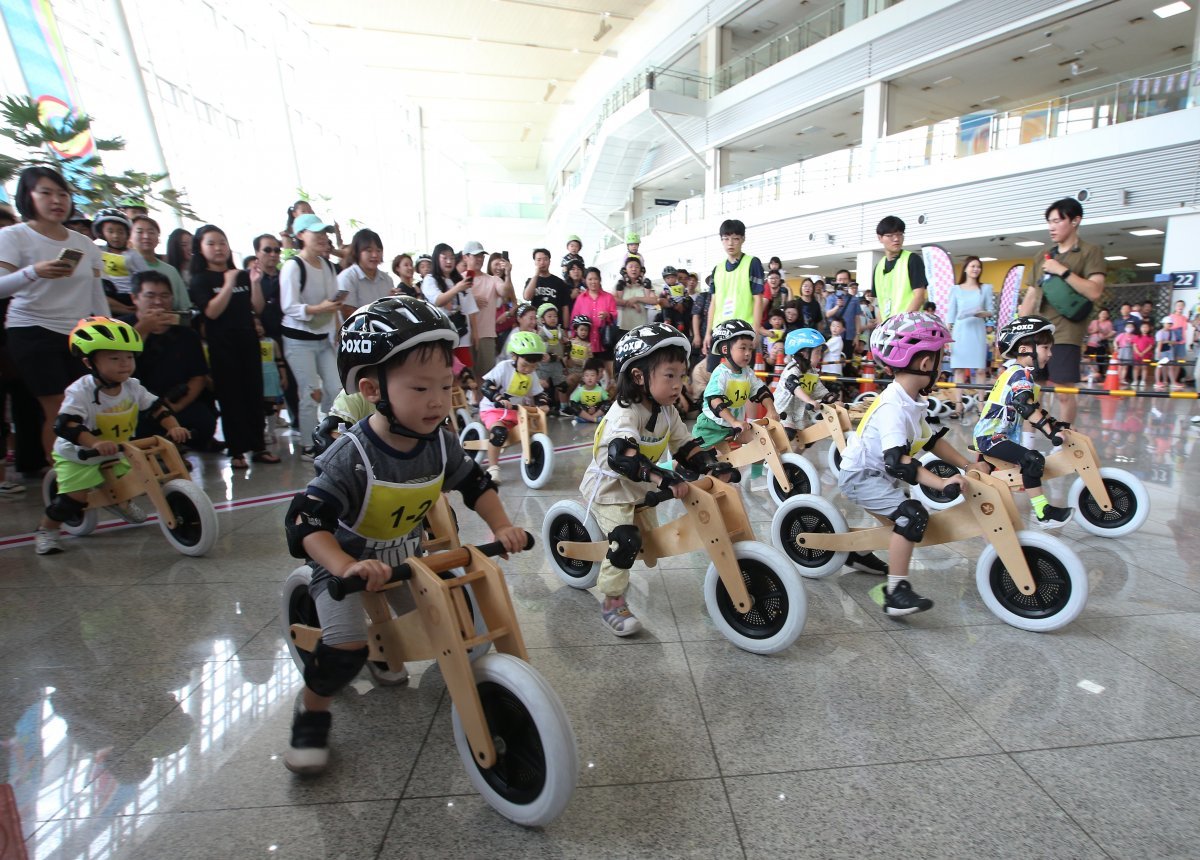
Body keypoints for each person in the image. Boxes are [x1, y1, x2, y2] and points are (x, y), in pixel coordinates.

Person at [282, 296, 524, 774]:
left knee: (458, 623)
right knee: (346, 646)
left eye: (445, 386)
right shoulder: (352, 456)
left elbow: (476, 484)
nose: (437, 400)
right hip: (342, 569)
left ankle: (396, 653)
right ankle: (311, 711)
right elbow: (306, 523)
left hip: (407, 560)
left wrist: (502, 525)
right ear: (372, 389)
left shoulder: (440, 444)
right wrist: (345, 566)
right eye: (419, 388)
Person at [579, 323, 730, 635]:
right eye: (669, 375)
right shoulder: (625, 412)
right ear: (639, 376)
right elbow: (623, 456)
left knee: (649, 543)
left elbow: (685, 447)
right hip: (611, 488)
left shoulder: (667, 411)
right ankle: (612, 601)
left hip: (640, 485)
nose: (678, 385)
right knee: (627, 539)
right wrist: (663, 477)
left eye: (681, 376)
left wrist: (711, 465)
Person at [837, 313, 976, 614]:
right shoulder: (893, 407)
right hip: (861, 476)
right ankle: (895, 592)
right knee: (912, 516)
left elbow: (931, 440)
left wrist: (968, 465)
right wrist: (941, 483)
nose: (941, 366)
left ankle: (857, 551)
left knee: (898, 524)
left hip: (875, 474)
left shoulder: (911, 399)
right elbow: (898, 463)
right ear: (926, 364)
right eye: (940, 358)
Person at [35, 316, 190, 555]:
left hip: (116, 451)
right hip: (79, 455)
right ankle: (47, 530)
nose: (124, 364)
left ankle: (120, 502)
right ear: (89, 362)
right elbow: (66, 424)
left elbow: (157, 407)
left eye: (129, 357)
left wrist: (174, 427)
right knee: (74, 499)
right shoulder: (80, 392)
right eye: (114, 358)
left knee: (134, 481)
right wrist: (94, 443)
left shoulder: (132, 386)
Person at [0, 166, 107, 459]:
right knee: (61, 408)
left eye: (62, 193)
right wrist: (34, 272)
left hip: (79, 335)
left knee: (86, 406)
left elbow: (96, 294)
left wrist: (105, 331)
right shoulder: (13, 236)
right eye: (46, 193)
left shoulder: (84, 243)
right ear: (28, 196)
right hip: (32, 330)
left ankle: (87, 467)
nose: (56, 200)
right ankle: (62, 475)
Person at [972, 316, 1074, 529]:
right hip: (991, 437)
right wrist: (1051, 433)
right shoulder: (1018, 374)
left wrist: (1055, 424)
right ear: (1025, 349)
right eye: (1046, 348)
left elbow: (1033, 407)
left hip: (998, 436)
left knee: (999, 472)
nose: (1050, 353)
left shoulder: (1021, 374)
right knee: (1033, 460)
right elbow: (1024, 407)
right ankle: (1043, 512)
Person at [189, 224, 274, 468]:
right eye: (211, 243)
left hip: (248, 342)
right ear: (200, 248)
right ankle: (237, 451)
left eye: (222, 243)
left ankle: (259, 447)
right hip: (222, 346)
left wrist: (255, 282)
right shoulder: (200, 279)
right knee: (231, 398)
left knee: (254, 395)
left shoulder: (242, 275)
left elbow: (257, 308)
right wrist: (227, 284)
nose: (218, 248)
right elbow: (211, 312)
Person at [1017, 197, 1106, 427]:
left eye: (1057, 221)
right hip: (1038, 331)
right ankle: (1027, 441)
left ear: (1075, 221)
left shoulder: (1090, 252)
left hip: (1067, 332)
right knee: (1031, 389)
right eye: (1049, 221)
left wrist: (1062, 271)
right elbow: (1031, 295)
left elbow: (1095, 291)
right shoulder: (1042, 255)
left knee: (1064, 392)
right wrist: (1018, 331)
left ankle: (1066, 440)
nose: (1052, 227)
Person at [122, 271, 218, 448]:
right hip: (134, 406)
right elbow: (118, 369)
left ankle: (172, 444)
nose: (158, 302)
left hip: (174, 402)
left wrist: (173, 409)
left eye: (165, 296)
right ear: (134, 298)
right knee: (138, 427)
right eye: (150, 296)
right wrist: (142, 329)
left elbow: (198, 377)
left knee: (204, 423)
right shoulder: (120, 329)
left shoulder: (187, 334)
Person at [280, 214, 344, 459]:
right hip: (298, 340)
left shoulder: (327, 266)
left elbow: (333, 304)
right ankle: (308, 444)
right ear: (300, 235)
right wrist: (319, 309)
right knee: (310, 393)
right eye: (316, 232)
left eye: (324, 233)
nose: (322, 237)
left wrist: (337, 328)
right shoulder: (293, 266)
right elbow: (289, 306)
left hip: (324, 338)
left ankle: (329, 433)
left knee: (336, 388)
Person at [693, 319, 778, 449]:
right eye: (743, 348)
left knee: (761, 443)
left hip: (734, 427)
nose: (748, 353)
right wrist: (733, 421)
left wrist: (771, 410)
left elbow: (761, 391)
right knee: (695, 456)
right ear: (725, 349)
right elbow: (714, 401)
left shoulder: (748, 373)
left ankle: (756, 466)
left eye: (750, 348)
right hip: (711, 426)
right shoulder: (721, 373)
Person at [477, 331, 550, 483]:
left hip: (515, 412)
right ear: (514, 357)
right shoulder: (503, 368)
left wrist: (542, 404)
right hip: (493, 410)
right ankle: (493, 468)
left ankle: (534, 455)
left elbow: (539, 393)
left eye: (533, 366)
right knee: (499, 432)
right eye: (525, 365)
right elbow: (486, 386)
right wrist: (498, 398)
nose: (528, 370)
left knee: (531, 428)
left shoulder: (531, 375)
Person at [703, 219, 765, 372]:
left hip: (744, 331)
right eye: (726, 238)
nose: (730, 243)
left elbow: (758, 299)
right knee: (713, 375)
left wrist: (756, 330)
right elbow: (713, 303)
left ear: (743, 239)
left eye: (735, 238)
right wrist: (708, 332)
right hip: (720, 331)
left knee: (741, 376)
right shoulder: (717, 269)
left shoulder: (752, 263)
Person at [945, 255, 994, 410]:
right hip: (960, 332)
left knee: (980, 369)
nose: (975, 269)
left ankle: (981, 404)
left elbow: (990, 311)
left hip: (977, 330)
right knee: (959, 369)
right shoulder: (956, 289)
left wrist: (980, 313)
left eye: (978, 266)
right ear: (965, 268)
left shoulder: (985, 288)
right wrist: (946, 336)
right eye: (972, 266)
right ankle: (958, 405)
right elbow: (951, 314)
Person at [774, 327, 837, 442]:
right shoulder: (793, 369)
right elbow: (793, 385)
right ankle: (777, 451)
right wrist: (809, 400)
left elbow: (818, 388)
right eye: (817, 352)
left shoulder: (811, 371)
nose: (820, 356)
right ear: (804, 354)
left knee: (809, 438)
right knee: (788, 433)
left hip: (800, 410)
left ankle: (795, 453)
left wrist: (831, 399)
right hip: (784, 411)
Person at [423, 242, 479, 368]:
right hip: (440, 336)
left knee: (466, 370)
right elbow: (438, 300)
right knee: (445, 370)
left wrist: (475, 332)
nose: (449, 261)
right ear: (437, 259)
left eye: (452, 258)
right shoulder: (430, 279)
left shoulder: (459, 280)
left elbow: (470, 308)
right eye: (445, 258)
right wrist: (457, 288)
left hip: (462, 334)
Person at [464, 240, 512, 372]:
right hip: (464, 337)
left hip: (486, 336)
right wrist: (471, 301)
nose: (480, 259)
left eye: (482, 256)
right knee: (467, 378)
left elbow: (504, 291)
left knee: (485, 377)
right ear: (465, 257)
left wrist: (508, 274)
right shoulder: (459, 279)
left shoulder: (493, 279)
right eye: (476, 256)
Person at [124, 216, 190, 312]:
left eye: (151, 232)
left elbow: (183, 306)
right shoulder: (122, 266)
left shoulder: (170, 271)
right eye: (140, 232)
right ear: (129, 237)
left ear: (158, 239)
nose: (146, 236)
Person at [871, 216, 929, 322]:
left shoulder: (912, 259)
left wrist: (899, 325)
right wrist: (882, 327)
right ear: (880, 238)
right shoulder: (878, 267)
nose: (896, 239)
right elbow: (880, 304)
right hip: (888, 328)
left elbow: (919, 297)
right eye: (890, 235)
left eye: (900, 234)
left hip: (910, 326)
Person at [572, 266, 617, 380]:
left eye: (595, 279)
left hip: (604, 341)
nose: (593, 282)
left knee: (609, 374)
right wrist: (573, 338)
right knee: (589, 375)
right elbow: (574, 319)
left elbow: (615, 315)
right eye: (590, 279)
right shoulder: (580, 298)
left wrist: (607, 315)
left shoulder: (608, 297)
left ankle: (611, 390)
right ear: (585, 281)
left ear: (600, 280)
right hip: (586, 342)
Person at [336, 229, 392, 316]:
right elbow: (348, 314)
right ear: (357, 252)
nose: (375, 255)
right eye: (369, 251)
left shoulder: (387, 279)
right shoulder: (347, 278)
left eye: (378, 250)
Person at [92, 208, 136, 314]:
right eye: (110, 231)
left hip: (127, 296)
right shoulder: (96, 251)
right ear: (101, 233)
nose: (115, 236)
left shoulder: (133, 255)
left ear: (127, 234)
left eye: (120, 232)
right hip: (105, 293)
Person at [522, 248, 571, 323]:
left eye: (545, 259)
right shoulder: (531, 281)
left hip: (555, 324)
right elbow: (527, 297)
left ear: (549, 261)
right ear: (535, 262)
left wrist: (566, 327)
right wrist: (536, 275)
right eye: (539, 260)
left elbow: (565, 307)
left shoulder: (559, 282)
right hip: (536, 323)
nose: (542, 262)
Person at [536, 303, 567, 416]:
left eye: (555, 316)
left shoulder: (560, 331)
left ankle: (563, 407)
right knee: (543, 386)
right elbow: (542, 349)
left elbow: (565, 343)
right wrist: (552, 356)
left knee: (562, 385)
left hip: (557, 362)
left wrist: (567, 348)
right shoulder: (542, 333)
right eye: (549, 316)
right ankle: (542, 407)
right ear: (542, 319)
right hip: (545, 364)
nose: (553, 318)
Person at [566, 360, 609, 424]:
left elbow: (607, 401)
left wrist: (595, 407)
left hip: (596, 412)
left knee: (608, 404)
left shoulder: (600, 389)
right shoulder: (580, 390)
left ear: (597, 377)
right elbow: (573, 402)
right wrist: (586, 408)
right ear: (583, 378)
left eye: (592, 375)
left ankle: (590, 418)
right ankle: (592, 419)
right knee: (573, 405)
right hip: (585, 412)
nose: (589, 378)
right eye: (587, 376)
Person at [1085, 308, 1114, 384]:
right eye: (1102, 313)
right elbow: (1089, 331)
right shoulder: (1094, 322)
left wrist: (1102, 333)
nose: (1103, 315)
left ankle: (1100, 375)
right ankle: (1088, 373)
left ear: (1107, 315)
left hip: (1102, 343)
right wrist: (1094, 331)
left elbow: (1110, 333)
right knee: (1088, 357)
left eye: (1105, 314)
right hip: (1092, 342)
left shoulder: (1109, 323)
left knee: (1100, 358)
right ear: (1099, 314)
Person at [1155, 317, 1175, 390]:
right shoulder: (1160, 332)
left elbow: (1173, 342)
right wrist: (1158, 353)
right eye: (1168, 323)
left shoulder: (1172, 332)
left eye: (1170, 323)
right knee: (1159, 366)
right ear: (1164, 324)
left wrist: (1166, 341)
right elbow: (1159, 343)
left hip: (1169, 351)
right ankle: (1157, 382)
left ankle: (1171, 382)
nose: (1169, 325)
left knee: (1170, 367)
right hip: (1162, 351)